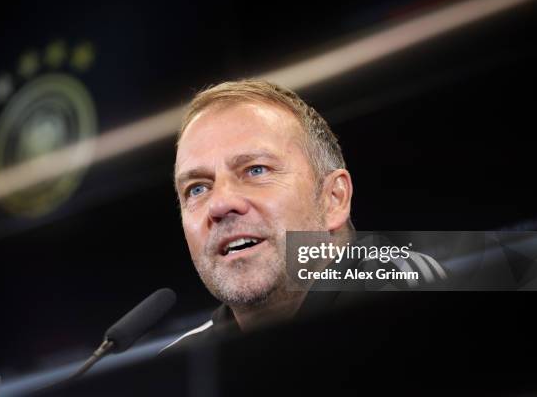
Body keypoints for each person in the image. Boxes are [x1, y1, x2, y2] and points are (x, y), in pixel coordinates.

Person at [162, 79, 445, 352]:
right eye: (197, 188)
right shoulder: (176, 366)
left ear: (334, 198)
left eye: (256, 170)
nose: (219, 204)